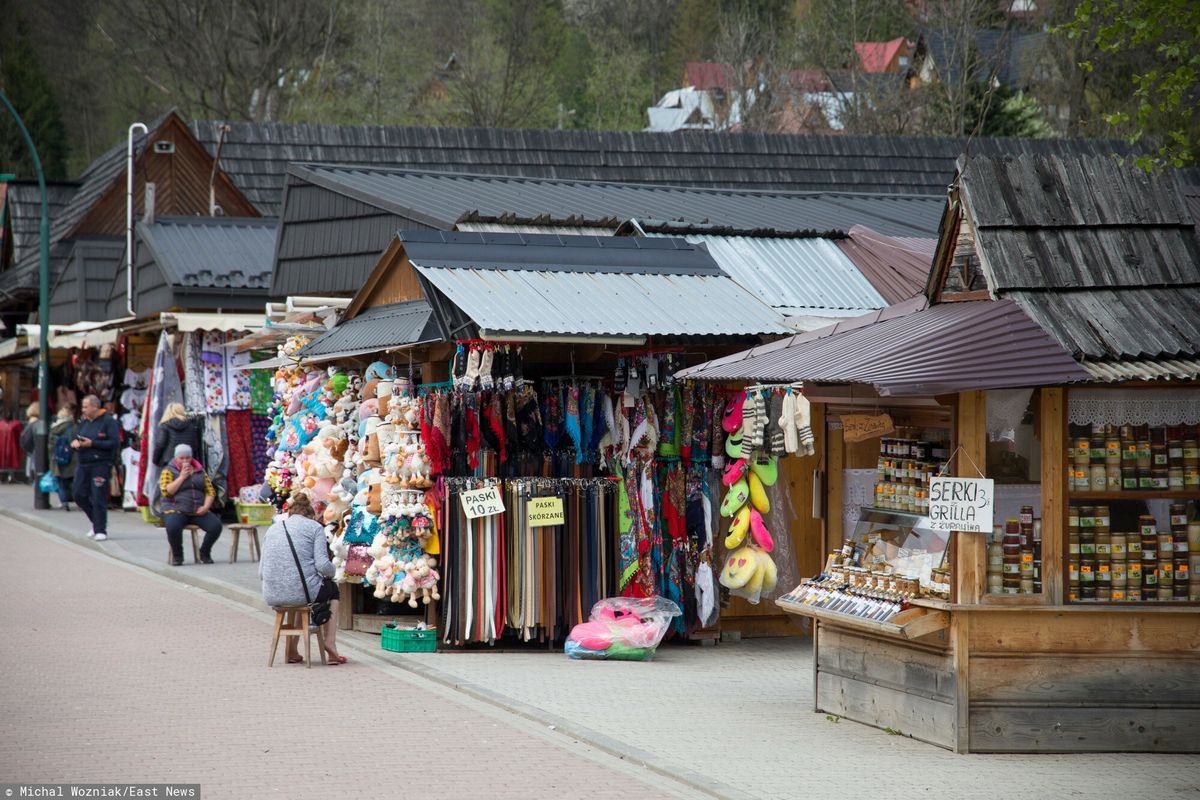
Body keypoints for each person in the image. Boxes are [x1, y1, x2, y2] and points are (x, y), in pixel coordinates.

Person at [259, 492, 345, 665]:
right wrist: (333, 571)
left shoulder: (273, 528)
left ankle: (292, 650)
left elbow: (261, 571)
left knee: (302, 592)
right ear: (309, 514)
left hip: (272, 594)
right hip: (304, 592)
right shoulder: (314, 527)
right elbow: (322, 565)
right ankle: (330, 643)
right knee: (332, 590)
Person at [159, 444, 222, 565]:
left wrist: (205, 507)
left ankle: (204, 552)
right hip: (175, 508)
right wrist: (182, 477)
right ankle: (178, 556)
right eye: (181, 458)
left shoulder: (199, 470)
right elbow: (167, 491)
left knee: (215, 526)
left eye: (187, 458)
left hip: (196, 509)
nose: (185, 461)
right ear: (176, 458)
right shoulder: (168, 470)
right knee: (173, 527)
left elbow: (210, 491)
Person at [72, 394, 120, 541]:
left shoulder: (108, 421)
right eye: (83, 407)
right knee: (78, 494)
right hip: (83, 463)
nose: (83, 410)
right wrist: (76, 442)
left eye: (86, 407)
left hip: (100, 464)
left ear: (95, 406)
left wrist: (93, 443)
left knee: (99, 495)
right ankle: (96, 521)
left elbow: (114, 443)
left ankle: (100, 529)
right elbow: (79, 436)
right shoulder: (84, 421)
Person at [153, 402, 203, 468]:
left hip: (169, 461)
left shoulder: (166, 425)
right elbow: (195, 446)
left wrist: (155, 460)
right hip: (187, 462)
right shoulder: (191, 426)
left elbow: (160, 444)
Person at [49, 405, 78, 510]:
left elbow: (50, 445)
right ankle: (77, 501)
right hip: (72, 459)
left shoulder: (53, 428)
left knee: (61, 483)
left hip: (58, 459)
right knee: (73, 481)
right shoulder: (74, 427)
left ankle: (64, 502)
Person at [19, 402, 43, 482]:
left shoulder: (30, 424)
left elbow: (24, 441)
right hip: (36, 454)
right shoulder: (36, 424)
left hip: (32, 454)